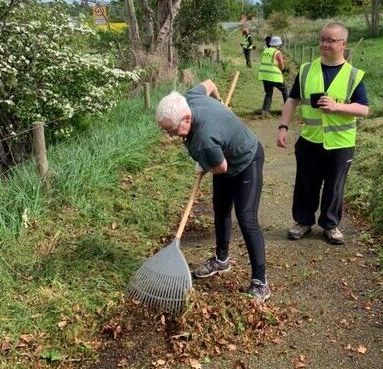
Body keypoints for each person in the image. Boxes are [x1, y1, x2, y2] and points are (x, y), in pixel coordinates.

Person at [155, 80, 270, 302]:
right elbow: (208, 83)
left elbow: (221, 167)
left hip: (247, 159)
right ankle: (221, 259)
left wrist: (204, 164)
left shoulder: (204, 139)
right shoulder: (189, 99)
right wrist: (218, 101)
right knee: (221, 210)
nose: (170, 135)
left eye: (172, 130)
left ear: (186, 118)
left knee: (246, 219)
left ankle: (260, 282)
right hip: (224, 158)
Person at [276, 22, 369, 245]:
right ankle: (303, 222)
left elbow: (364, 109)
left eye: (331, 40)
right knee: (306, 184)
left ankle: (330, 225)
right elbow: (292, 100)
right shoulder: (307, 69)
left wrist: (338, 107)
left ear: (343, 44)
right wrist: (283, 126)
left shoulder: (353, 75)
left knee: (335, 186)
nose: (325, 44)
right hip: (310, 139)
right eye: (322, 39)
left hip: (341, 142)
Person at [258, 36, 288, 115]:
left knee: (268, 93)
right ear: (278, 44)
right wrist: (283, 70)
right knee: (285, 90)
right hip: (274, 76)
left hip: (264, 75)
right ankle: (288, 109)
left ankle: (265, 111)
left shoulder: (265, 51)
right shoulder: (277, 52)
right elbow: (281, 65)